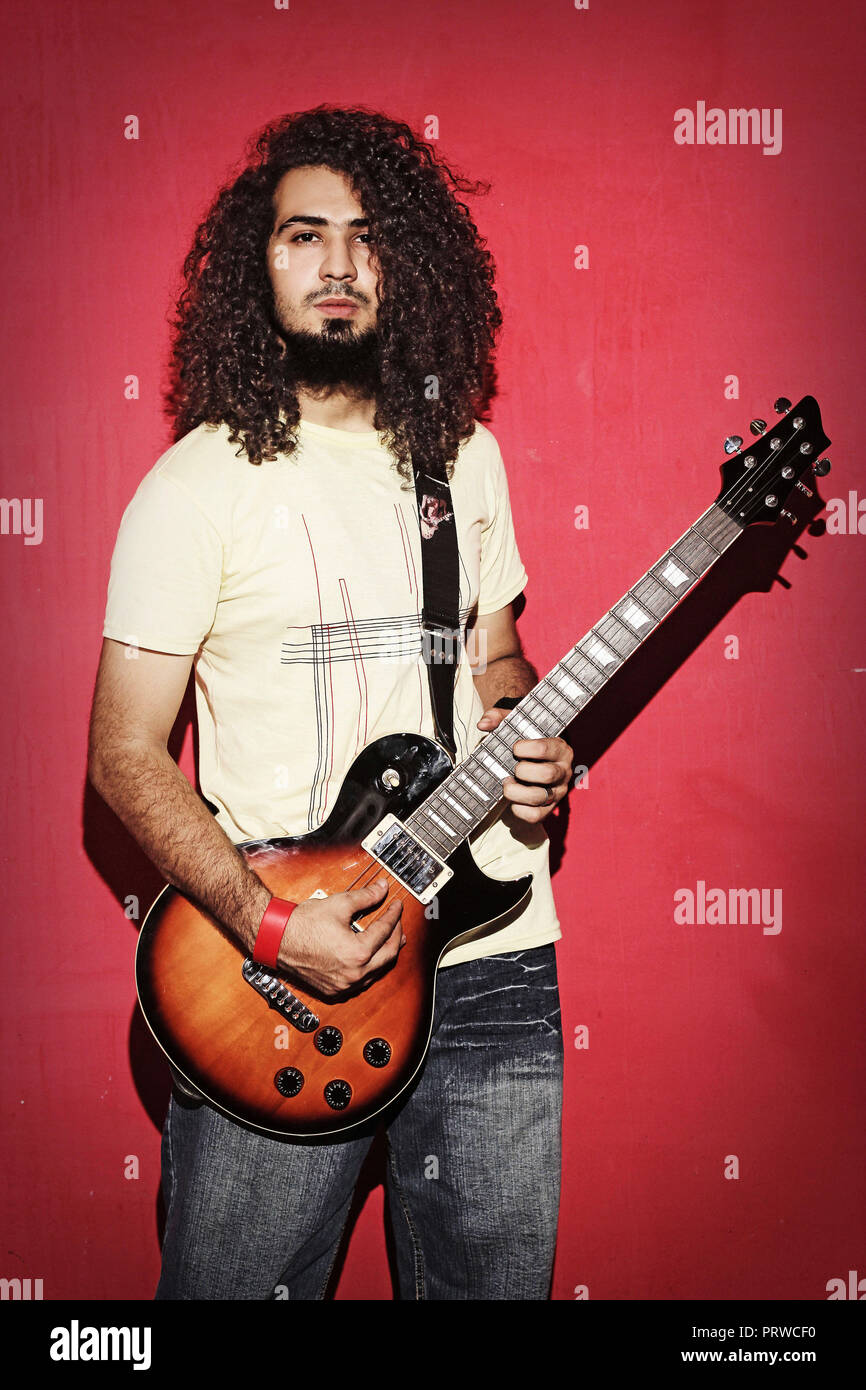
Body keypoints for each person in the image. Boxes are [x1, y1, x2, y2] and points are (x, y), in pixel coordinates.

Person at [87, 105, 574, 1301]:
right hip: (281, 983)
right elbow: (123, 754)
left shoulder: (461, 458)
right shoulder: (195, 486)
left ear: (407, 265)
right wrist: (266, 926)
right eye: (305, 236)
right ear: (258, 266)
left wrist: (530, 738)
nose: (341, 267)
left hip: (490, 959)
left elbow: (495, 653)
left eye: (366, 238)